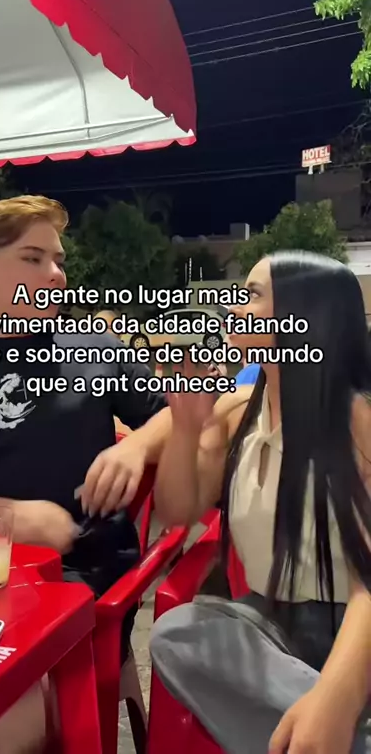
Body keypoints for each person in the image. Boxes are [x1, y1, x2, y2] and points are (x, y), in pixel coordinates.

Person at [0, 195, 170, 752]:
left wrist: (137, 446)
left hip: (75, 579)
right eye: (33, 258)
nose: (56, 275)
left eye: (58, 261)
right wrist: (3, 519)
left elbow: (172, 414)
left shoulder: (93, 347)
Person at [150, 251, 371, 754]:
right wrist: (184, 429)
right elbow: (178, 510)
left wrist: (337, 695)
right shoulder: (235, 411)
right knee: (174, 634)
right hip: (267, 626)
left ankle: (331, 719)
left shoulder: (358, 424)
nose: (233, 307)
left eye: (251, 295)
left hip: (353, 634)